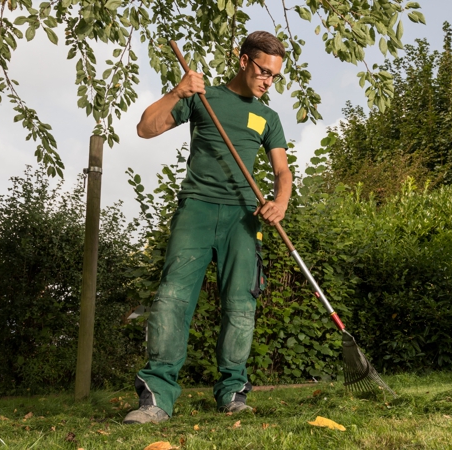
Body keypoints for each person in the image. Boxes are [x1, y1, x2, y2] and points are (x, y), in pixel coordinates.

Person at [123, 31, 292, 424]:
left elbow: (281, 171)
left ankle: (233, 391)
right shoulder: (203, 98)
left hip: (244, 219)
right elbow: (145, 128)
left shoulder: (268, 117)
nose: (268, 81)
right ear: (243, 61)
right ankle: (156, 398)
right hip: (196, 210)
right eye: (263, 71)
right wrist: (178, 92)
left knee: (240, 306)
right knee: (172, 299)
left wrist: (279, 202)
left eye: (275, 76)